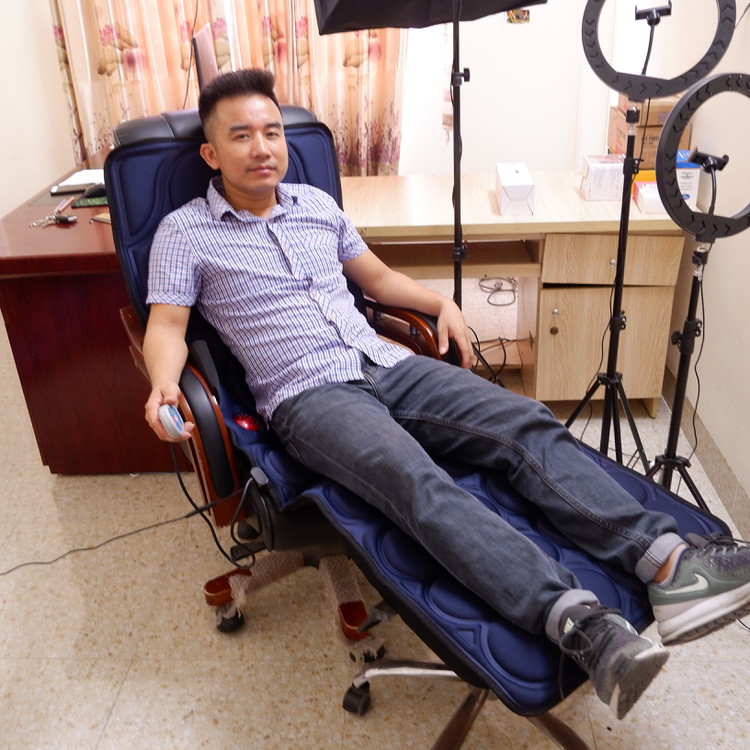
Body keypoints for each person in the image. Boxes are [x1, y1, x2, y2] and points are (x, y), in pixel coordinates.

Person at [143, 68, 750, 720]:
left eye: (272, 132)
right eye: (241, 135)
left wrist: (442, 304)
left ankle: (667, 562)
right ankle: (580, 625)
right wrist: (162, 385)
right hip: (308, 395)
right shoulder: (185, 231)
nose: (262, 147)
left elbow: (376, 279)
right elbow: (168, 326)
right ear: (212, 153)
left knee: (522, 421)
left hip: (386, 363)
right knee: (417, 482)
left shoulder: (315, 205)